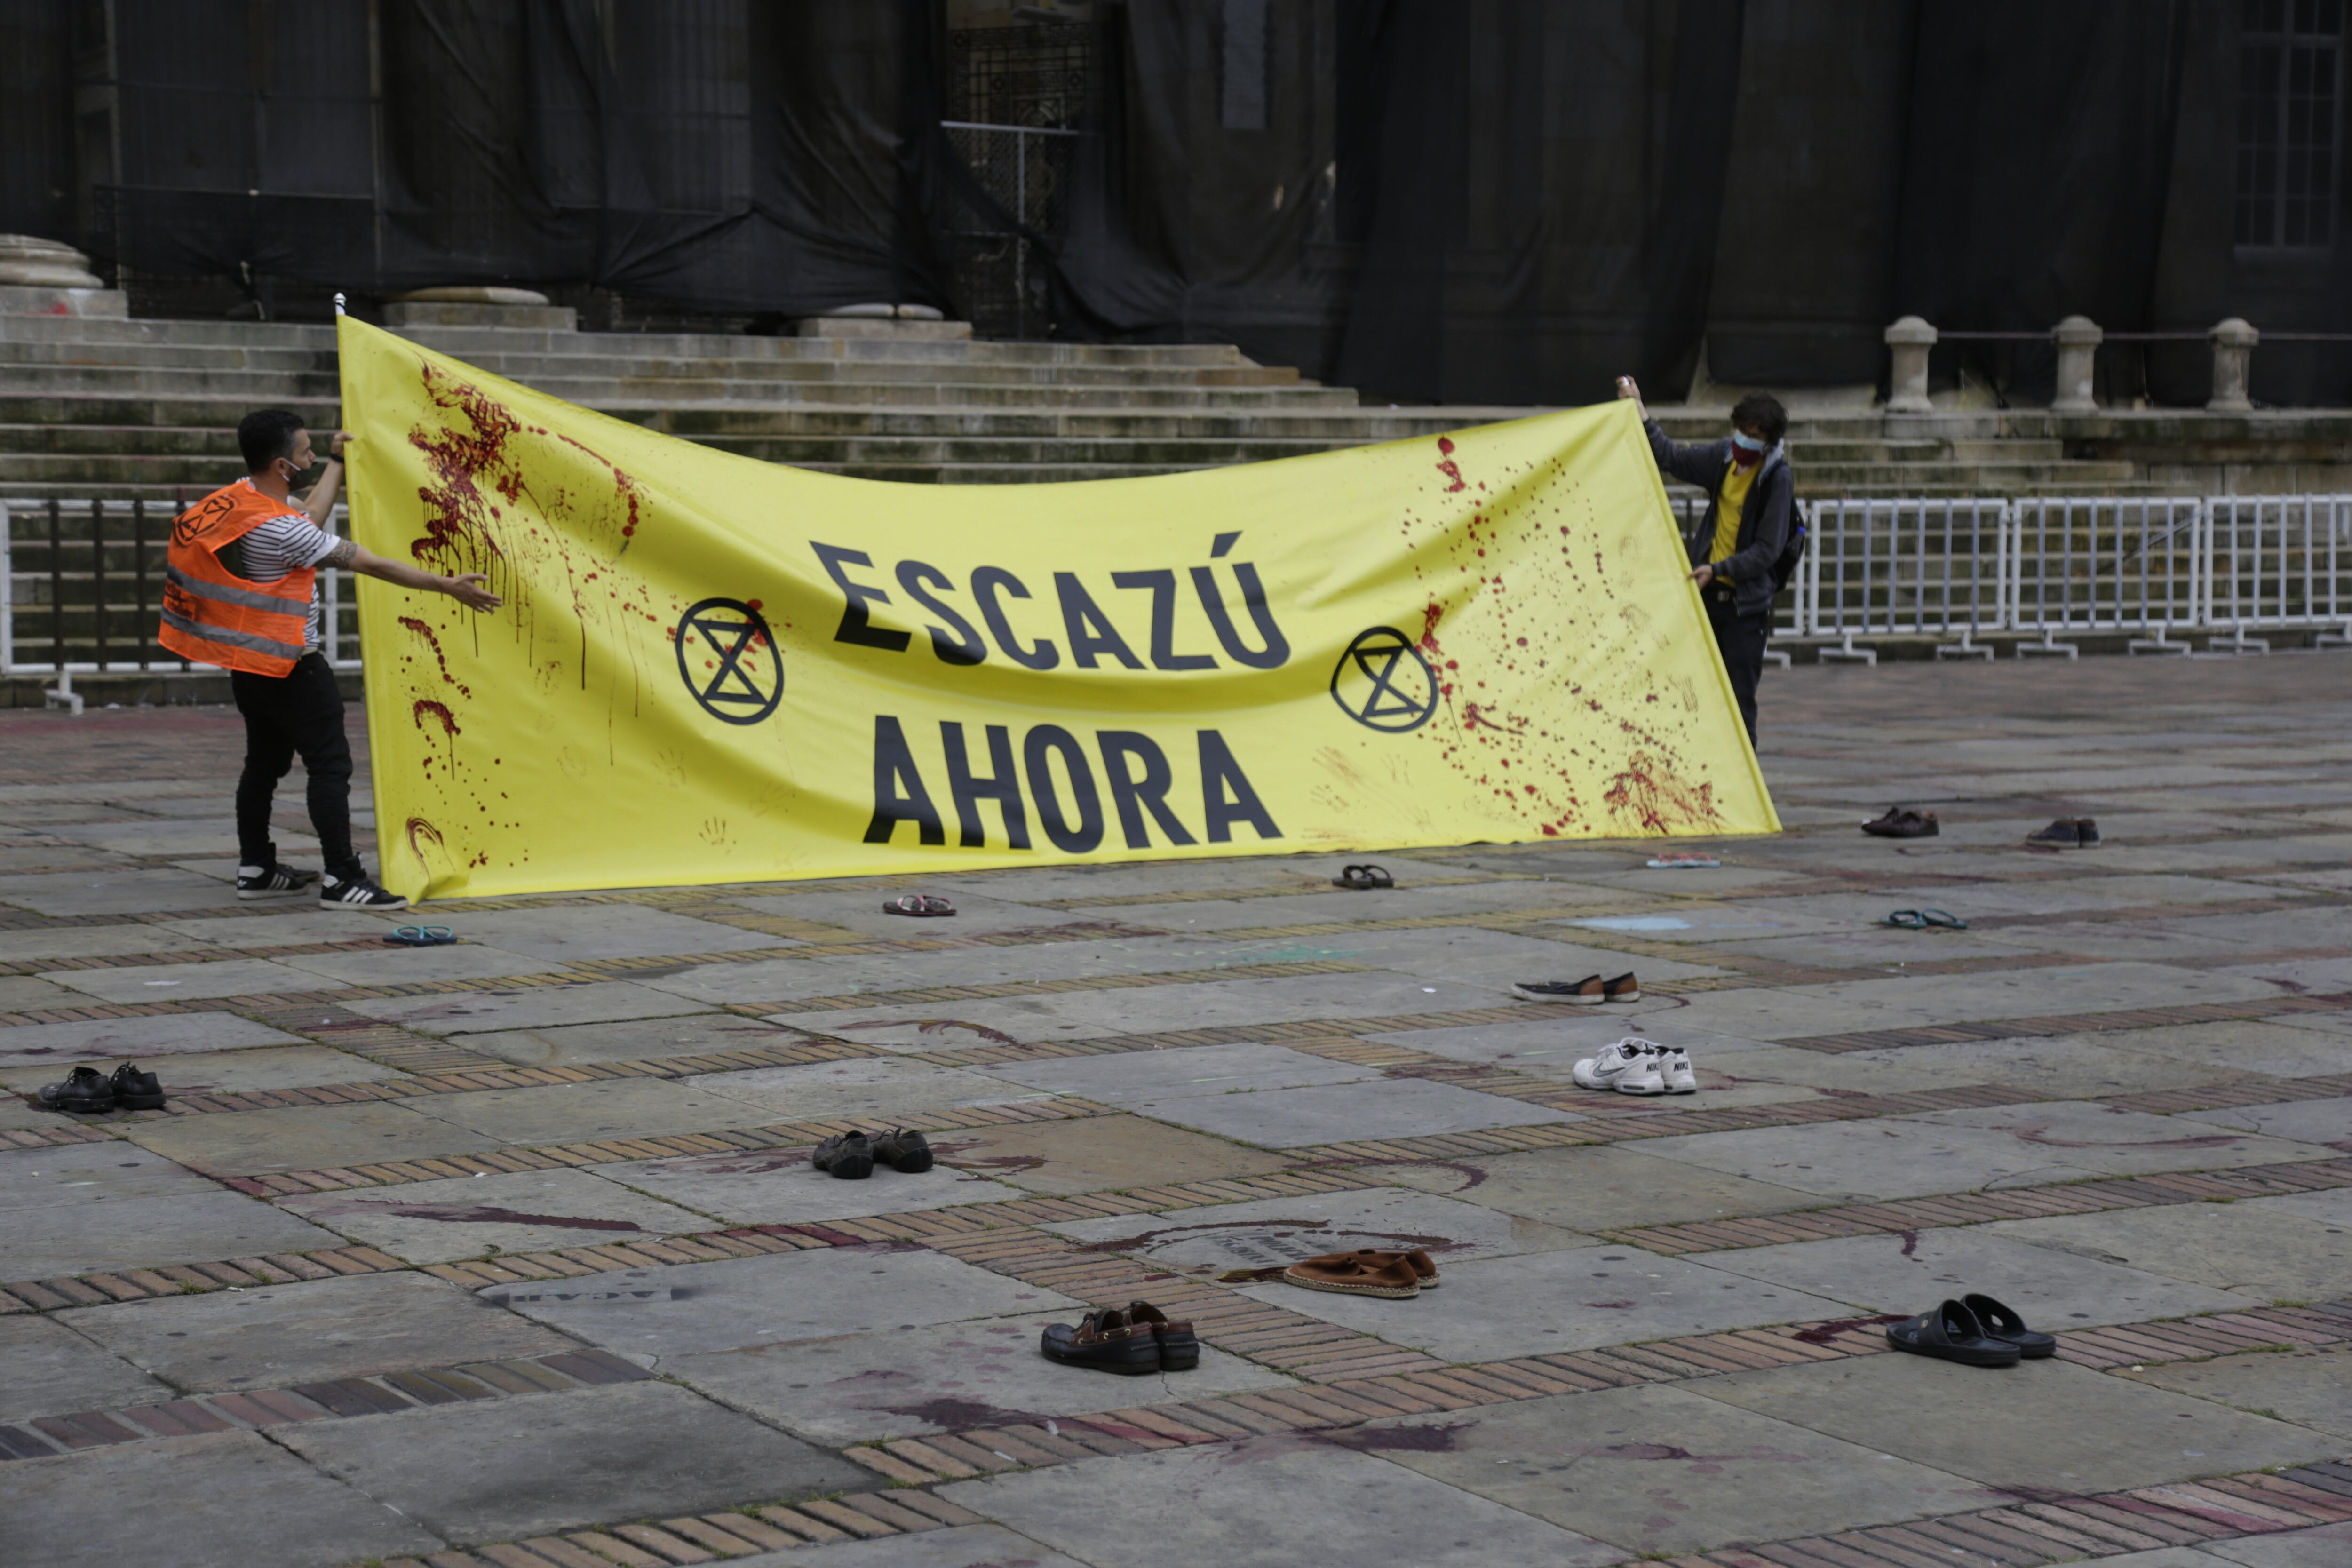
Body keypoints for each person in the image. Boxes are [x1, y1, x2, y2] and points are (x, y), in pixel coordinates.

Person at [160, 409, 501, 910]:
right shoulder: (279, 530)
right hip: (294, 665)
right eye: (305, 452)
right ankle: (342, 878)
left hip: (251, 663)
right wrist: (446, 586)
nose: (312, 456)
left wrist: (338, 464)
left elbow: (307, 518)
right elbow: (370, 563)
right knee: (330, 767)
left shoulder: (239, 498)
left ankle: (256, 868)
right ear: (282, 465)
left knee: (263, 765)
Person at [1615, 377, 1791, 745]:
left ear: (1769, 442)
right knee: (1694, 697)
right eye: (1741, 430)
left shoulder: (1776, 478)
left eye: (1753, 435)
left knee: (1739, 705)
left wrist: (1721, 569)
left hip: (1745, 611)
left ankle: (1746, 794)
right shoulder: (1724, 458)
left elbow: (1767, 550)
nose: (1744, 440)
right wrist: (1638, 407)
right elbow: (1673, 458)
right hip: (1708, 600)